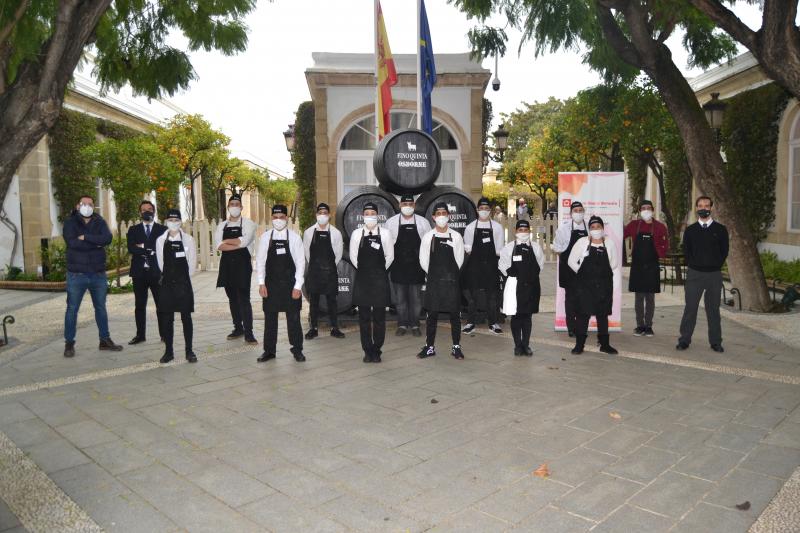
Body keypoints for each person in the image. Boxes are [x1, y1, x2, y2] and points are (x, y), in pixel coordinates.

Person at [62, 195, 123, 358]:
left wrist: (86, 237)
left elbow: (107, 238)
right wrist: (96, 243)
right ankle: (69, 343)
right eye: (84, 204)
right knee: (72, 309)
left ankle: (105, 340)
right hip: (77, 275)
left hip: (97, 274)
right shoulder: (70, 223)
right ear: (77, 205)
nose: (87, 206)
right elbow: (72, 243)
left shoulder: (100, 221)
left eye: (90, 204)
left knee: (101, 308)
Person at [677, 196, 729, 353]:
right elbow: (687, 251)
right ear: (696, 208)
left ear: (711, 208)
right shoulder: (690, 230)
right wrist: (696, 264)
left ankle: (715, 342)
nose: (703, 208)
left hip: (713, 275)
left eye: (706, 205)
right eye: (700, 205)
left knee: (713, 310)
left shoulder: (721, 230)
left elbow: (724, 251)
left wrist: (714, 265)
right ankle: (684, 340)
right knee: (690, 308)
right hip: (695, 274)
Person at [256, 205, 306, 363]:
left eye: (281, 217)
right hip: (271, 285)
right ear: (272, 218)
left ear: (287, 218)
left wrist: (298, 286)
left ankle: (297, 349)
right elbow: (260, 262)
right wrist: (261, 283)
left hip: (290, 285)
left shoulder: (295, 237)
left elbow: (300, 264)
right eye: (275, 217)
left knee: (294, 319)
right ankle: (269, 351)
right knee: (270, 319)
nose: (278, 220)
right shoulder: (265, 238)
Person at [418, 202, 466, 360]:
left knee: (455, 316)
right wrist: (434, 274)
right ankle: (429, 347)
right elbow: (423, 260)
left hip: (452, 282)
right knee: (431, 315)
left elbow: (459, 260)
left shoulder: (456, 236)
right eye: (438, 214)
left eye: (444, 213)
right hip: (434, 282)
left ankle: (456, 346)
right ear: (433, 217)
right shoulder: (428, 237)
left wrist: (449, 275)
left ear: (449, 216)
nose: (441, 216)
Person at [568, 215, 619, 355]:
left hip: (604, 285)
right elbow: (571, 261)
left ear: (603, 228)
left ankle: (605, 344)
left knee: (602, 316)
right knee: (583, 315)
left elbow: (614, 262)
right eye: (592, 227)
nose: (595, 229)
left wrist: (602, 274)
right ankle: (579, 345)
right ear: (589, 229)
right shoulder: (582, 242)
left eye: (598, 227)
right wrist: (582, 273)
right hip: (585, 286)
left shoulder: (609, 243)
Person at [350, 202, 394, 363]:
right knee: (364, 318)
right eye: (367, 213)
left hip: (380, 280)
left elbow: (390, 256)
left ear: (377, 215)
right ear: (363, 216)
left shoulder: (386, 234)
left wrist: (379, 271)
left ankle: (377, 350)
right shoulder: (356, 234)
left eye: (372, 213)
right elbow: (354, 257)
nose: (369, 216)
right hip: (362, 280)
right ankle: (367, 350)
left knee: (379, 318)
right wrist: (365, 271)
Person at [155, 209, 197, 363]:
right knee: (167, 319)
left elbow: (192, 263)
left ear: (180, 221)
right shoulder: (160, 240)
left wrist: (183, 278)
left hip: (184, 283)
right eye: (170, 220)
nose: (173, 222)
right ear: (166, 221)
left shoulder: (188, 239)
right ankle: (169, 351)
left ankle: (189, 351)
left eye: (176, 220)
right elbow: (161, 264)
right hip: (167, 284)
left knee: (186, 318)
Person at [215, 194, 258, 345]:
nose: (234, 206)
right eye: (232, 204)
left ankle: (249, 333)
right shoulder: (221, 226)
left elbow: (245, 241)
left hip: (243, 266)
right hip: (227, 266)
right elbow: (218, 246)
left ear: (241, 207)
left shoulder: (249, 224)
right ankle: (238, 328)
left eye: (237, 204)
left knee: (244, 300)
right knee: (232, 299)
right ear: (228, 207)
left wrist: (226, 241)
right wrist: (235, 243)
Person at [386, 194, 430, 337]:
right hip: (398, 266)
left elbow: (429, 244)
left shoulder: (423, 222)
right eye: (404, 204)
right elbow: (387, 246)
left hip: (417, 267)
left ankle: (415, 324)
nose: (407, 207)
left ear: (414, 205)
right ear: (400, 205)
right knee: (400, 299)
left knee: (416, 299)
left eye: (410, 204)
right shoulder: (391, 222)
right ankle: (402, 324)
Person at [623, 200, 669, 336]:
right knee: (638, 298)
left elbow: (665, 244)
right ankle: (640, 325)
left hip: (652, 266)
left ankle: (648, 326)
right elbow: (621, 235)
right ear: (639, 210)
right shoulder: (633, 225)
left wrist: (661, 252)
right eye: (643, 208)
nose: (646, 210)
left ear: (653, 210)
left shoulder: (660, 227)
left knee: (650, 298)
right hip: (637, 267)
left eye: (649, 208)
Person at [499, 220, 544, 356]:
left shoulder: (536, 248)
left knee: (527, 316)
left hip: (531, 286)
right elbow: (502, 265)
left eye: (525, 230)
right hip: (515, 286)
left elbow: (540, 266)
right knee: (516, 316)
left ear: (529, 232)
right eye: (520, 230)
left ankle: (526, 345)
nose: (523, 233)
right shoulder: (508, 248)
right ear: (515, 232)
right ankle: (517, 345)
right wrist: (513, 275)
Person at [462, 197, 505, 334]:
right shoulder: (470, 228)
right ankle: (470, 322)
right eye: (481, 209)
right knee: (473, 296)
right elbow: (468, 248)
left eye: (487, 209)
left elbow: (499, 249)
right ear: (477, 210)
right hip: (474, 266)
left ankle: (493, 322)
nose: (484, 211)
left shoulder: (497, 227)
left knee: (492, 296)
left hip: (491, 265)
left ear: (490, 211)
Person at [303, 202, 345, 340]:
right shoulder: (308, 232)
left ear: (329, 215)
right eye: (320, 213)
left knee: (332, 301)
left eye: (325, 213)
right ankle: (313, 328)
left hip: (330, 272)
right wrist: (317, 266)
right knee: (313, 301)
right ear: (316, 215)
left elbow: (338, 254)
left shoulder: (335, 233)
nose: (322, 216)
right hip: (314, 272)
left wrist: (328, 266)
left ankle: (335, 328)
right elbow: (307, 253)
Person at [126, 200, 166, 345]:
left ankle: (164, 334)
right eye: (143, 210)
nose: (147, 212)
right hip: (139, 273)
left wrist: (142, 246)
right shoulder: (133, 230)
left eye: (149, 209)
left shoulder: (162, 230)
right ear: (140, 212)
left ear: (154, 211)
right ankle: (140, 335)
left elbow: (162, 249)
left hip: (156, 273)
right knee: (139, 306)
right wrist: (149, 249)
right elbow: (131, 248)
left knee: (161, 305)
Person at [552, 201, 588, 337]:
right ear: (571, 213)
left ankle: (581, 326)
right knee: (570, 299)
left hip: (584, 269)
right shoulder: (564, 228)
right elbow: (556, 247)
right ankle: (571, 327)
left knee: (583, 299)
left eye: (580, 210)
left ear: (584, 212)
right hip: (568, 269)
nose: (578, 213)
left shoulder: (589, 227)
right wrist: (565, 255)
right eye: (575, 210)